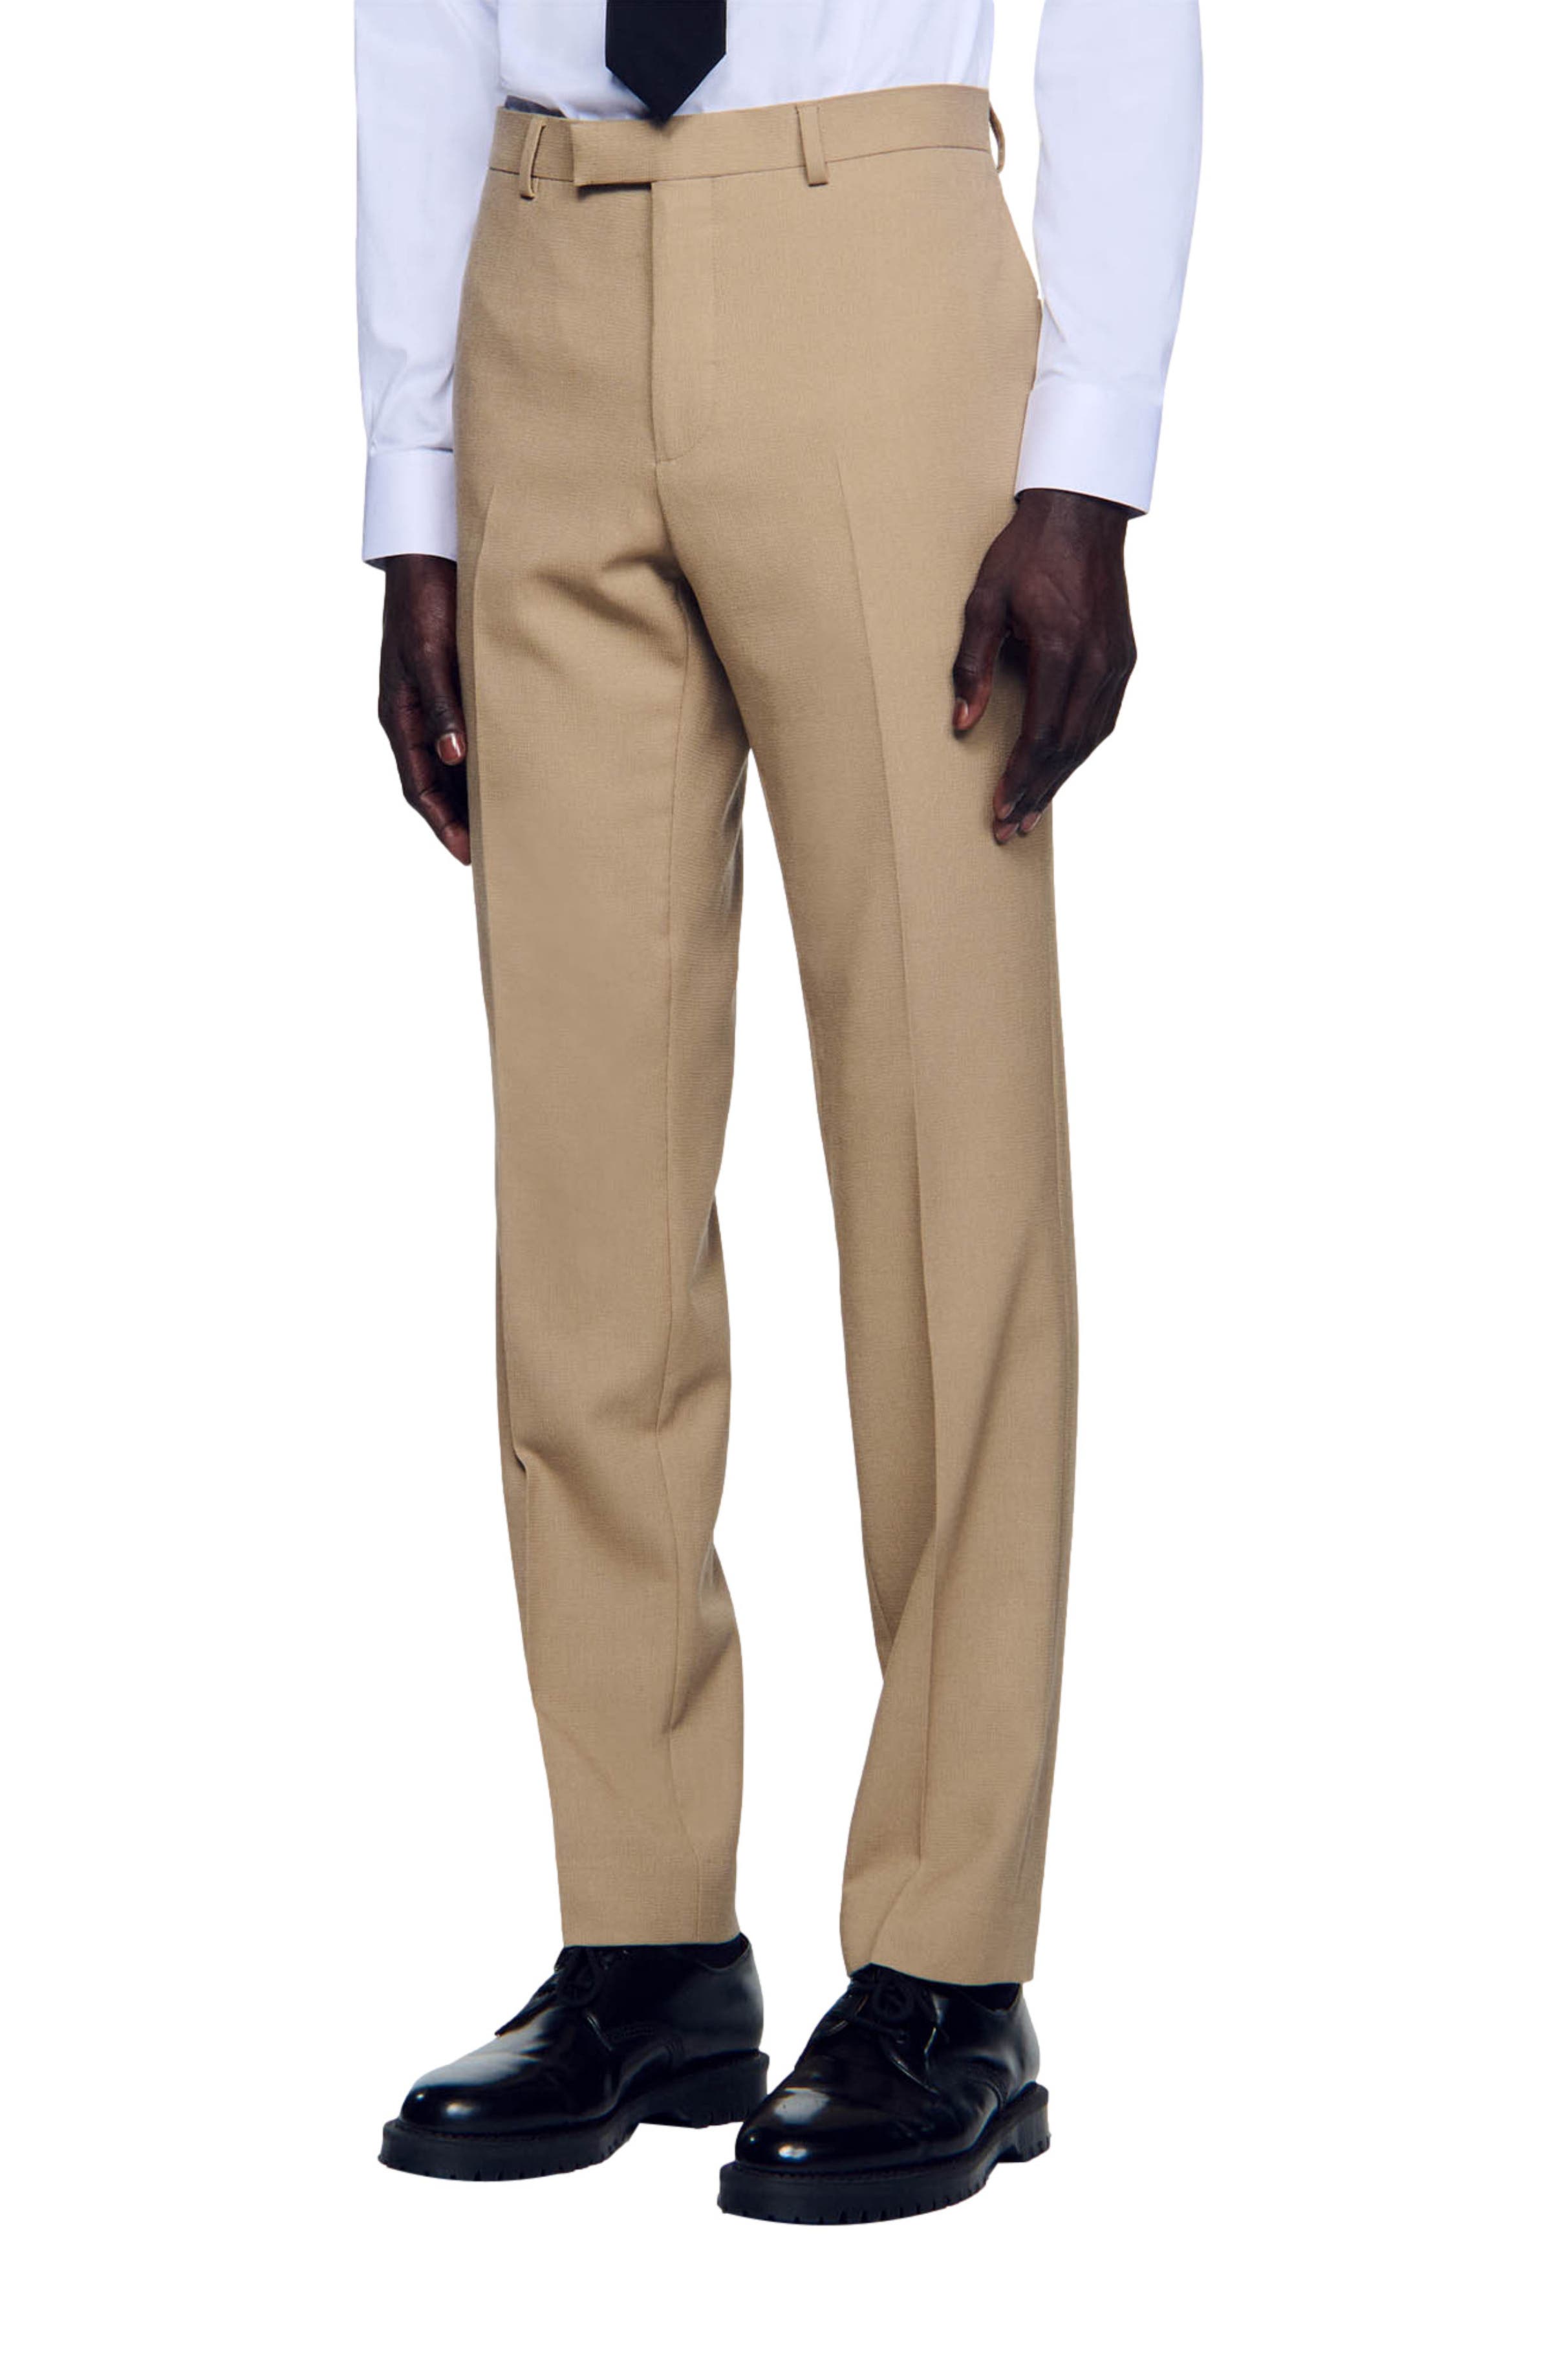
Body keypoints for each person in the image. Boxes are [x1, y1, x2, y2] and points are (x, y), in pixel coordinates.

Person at [357, 0, 1200, 2225]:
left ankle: (949, 1965)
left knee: (946, 1161)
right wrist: (412, 482)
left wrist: (1090, 455)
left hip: (879, 258)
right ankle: (645, 1941)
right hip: (539, 266)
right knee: (585, 1187)